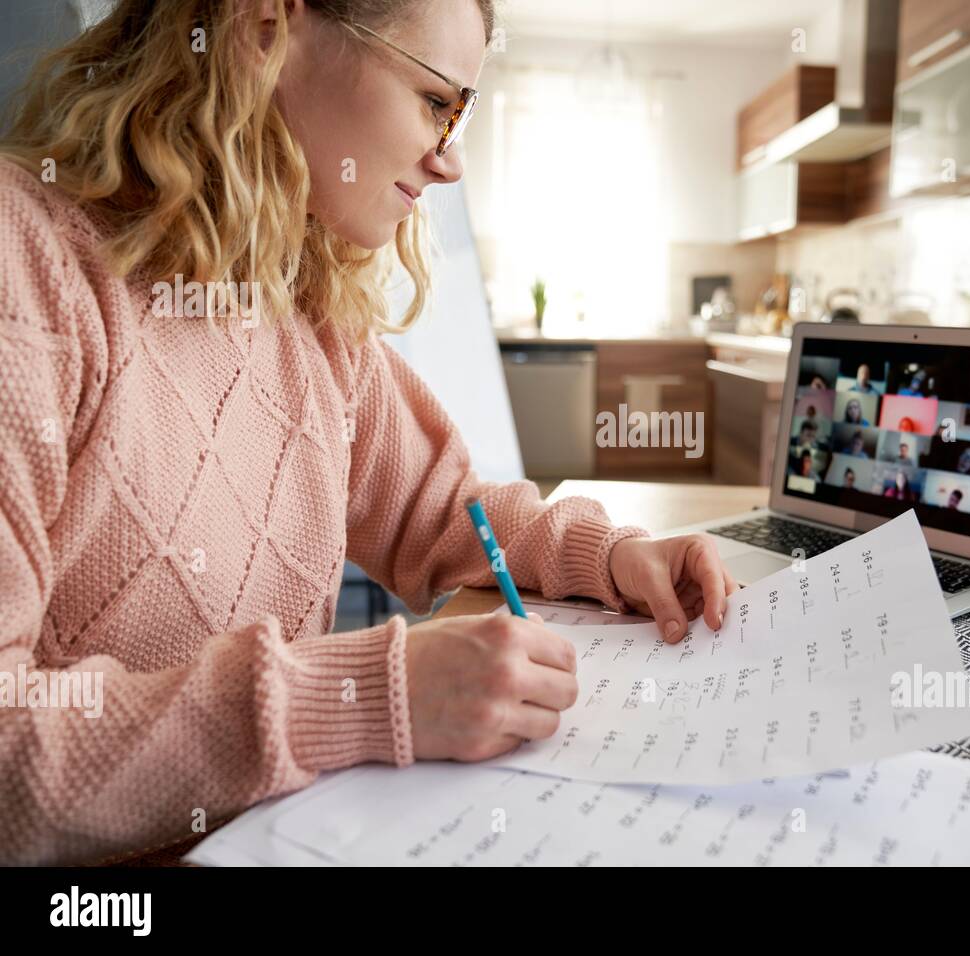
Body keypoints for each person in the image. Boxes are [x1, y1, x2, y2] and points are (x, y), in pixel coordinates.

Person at [0, 0, 738, 865]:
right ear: (266, 27)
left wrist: (608, 558)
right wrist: (366, 694)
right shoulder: (30, 270)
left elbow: (443, 511)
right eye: (435, 101)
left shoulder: (303, 308)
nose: (451, 158)